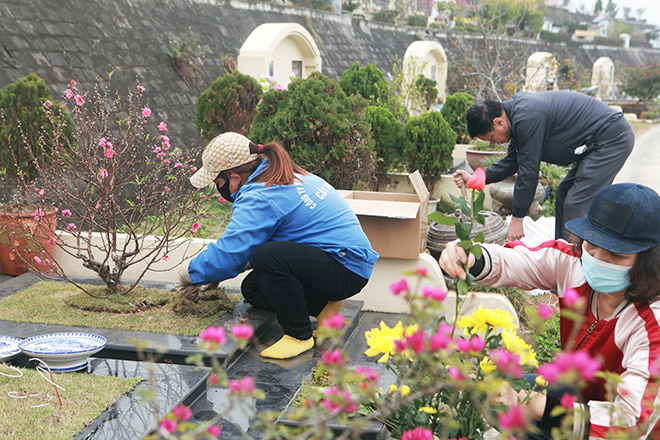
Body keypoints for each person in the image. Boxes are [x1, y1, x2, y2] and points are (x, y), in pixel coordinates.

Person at [439, 183, 660, 438]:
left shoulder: (651, 325)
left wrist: (536, 405)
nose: (598, 257)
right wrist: (471, 257)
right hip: (574, 392)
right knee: (492, 394)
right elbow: (516, 262)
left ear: (647, 260)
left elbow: (631, 421)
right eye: (592, 244)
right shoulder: (573, 265)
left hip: (617, 428)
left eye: (615, 254)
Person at [175, 132, 378, 360]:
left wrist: (191, 274)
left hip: (344, 268)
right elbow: (260, 242)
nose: (218, 189)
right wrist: (224, 267)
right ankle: (325, 308)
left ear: (234, 178)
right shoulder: (281, 174)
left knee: (267, 257)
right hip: (342, 263)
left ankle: (298, 336)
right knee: (255, 287)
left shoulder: (261, 194)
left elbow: (233, 249)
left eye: (217, 182)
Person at [453, 91, 634, 242]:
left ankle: (574, 269)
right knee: (564, 193)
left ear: (498, 122)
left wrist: (517, 218)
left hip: (611, 138)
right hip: (595, 143)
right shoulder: (517, 116)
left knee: (576, 202)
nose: (493, 144)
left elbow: (528, 170)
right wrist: (478, 178)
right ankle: (561, 256)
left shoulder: (527, 116)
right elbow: (514, 160)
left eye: (491, 138)